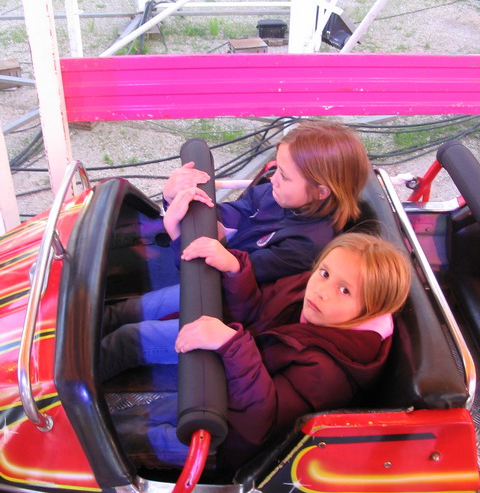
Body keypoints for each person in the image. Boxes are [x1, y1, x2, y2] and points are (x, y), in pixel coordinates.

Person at [103, 226, 411, 472]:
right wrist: (235, 270)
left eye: (344, 290)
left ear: (369, 311)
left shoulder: (329, 372)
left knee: (123, 436)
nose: (322, 291)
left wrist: (232, 346)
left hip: (230, 437)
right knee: (128, 366)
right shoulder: (308, 292)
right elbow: (257, 312)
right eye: (325, 273)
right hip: (227, 380)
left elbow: (260, 421)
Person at [162, 120, 371, 282]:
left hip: (218, 295)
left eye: (285, 176)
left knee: (140, 317)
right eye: (277, 168)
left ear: (321, 192)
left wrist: (177, 233)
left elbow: (234, 279)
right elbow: (235, 214)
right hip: (201, 261)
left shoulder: (304, 246)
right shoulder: (279, 195)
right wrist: (177, 199)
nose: (273, 179)